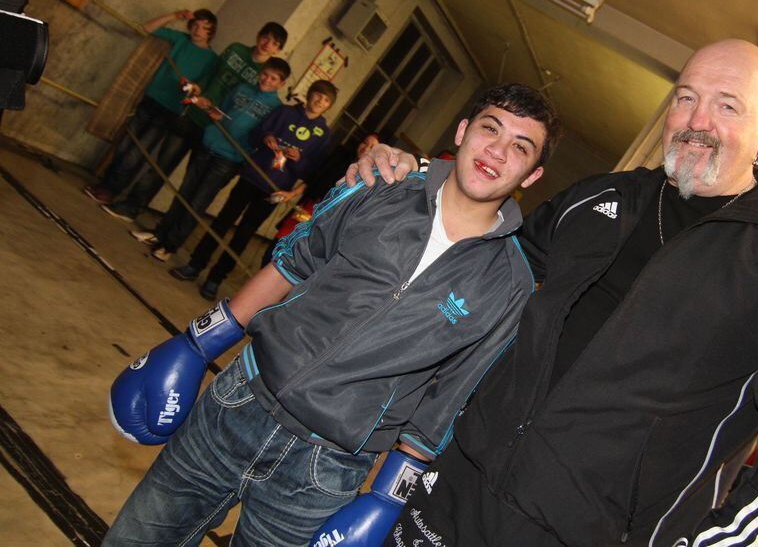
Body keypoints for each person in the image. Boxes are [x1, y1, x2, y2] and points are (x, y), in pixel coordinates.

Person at [353, 40, 758, 546]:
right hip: (453, 493)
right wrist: (417, 180)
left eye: (727, 105)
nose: (696, 120)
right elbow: (480, 258)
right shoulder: (604, 196)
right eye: (685, 98)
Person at [104, 83, 562, 545]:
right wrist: (197, 342)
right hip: (236, 403)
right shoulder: (381, 185)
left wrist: (388, 497)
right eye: (490, 129)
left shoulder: (511, 285)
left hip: (327, 470)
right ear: (463, 131)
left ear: (532, 176)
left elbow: (449, 403)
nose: (497, 152)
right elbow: (291, 262)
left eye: (519, 148)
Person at [98, 21, 288, 222]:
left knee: (191, 186)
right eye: (266, 37)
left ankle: (165, 229)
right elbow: (211, 72)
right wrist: (198, 90)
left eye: (274, 43)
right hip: (193, 115)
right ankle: (131, 206)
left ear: (278, 49)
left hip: (216, 130)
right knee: (160, 164)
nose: (267, 44)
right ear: (258, 35)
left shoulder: (266, 75)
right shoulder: (236, 49)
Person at [168, 79, 337, 300]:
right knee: (222, 221)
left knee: (244, 234)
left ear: (328, 106)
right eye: (317, 95)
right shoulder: (284, 112)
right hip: (252, 176)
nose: (319, 101)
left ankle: (215, 279)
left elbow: (311, 172)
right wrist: (265, 136)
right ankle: (194, 264)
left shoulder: (323, 134)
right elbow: (255, 134)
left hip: (275, 189)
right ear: (309, 94)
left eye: (325, 100)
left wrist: (298, 159)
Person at [132, 57, 290, 262]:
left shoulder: (277, 108)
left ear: (282, 84)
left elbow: (264, 136)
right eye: (265, 74)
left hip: (230, 158)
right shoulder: (242, 88)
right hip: (208, 144)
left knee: (198, 201)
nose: (267, 80)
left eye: (274, 78)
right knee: (185, 192)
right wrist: (213, 113)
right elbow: (221, 110)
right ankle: (160, 234)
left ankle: (170, 245)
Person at [83, 9, 218, 214]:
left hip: (172, 107)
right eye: (196, 26)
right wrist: (174, 16)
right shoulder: (180, 39)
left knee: (138, 151)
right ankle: (106, 185)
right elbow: (147, 27)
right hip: (152, 97)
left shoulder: (211, 59)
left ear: (211, 33)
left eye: (204, 28)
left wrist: (193, 87)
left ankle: (112, 190)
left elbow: (203, 88)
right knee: (125, 144)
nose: (198, 31)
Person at [259, 131, 381, 266]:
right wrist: (292, 194)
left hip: (329, 222)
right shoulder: (341, 155)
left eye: (372, 147)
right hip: (310, 208)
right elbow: (315, 179)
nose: (365, 148)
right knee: (276, 248)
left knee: (299, 259)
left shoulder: (372, 176)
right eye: (365, 142)